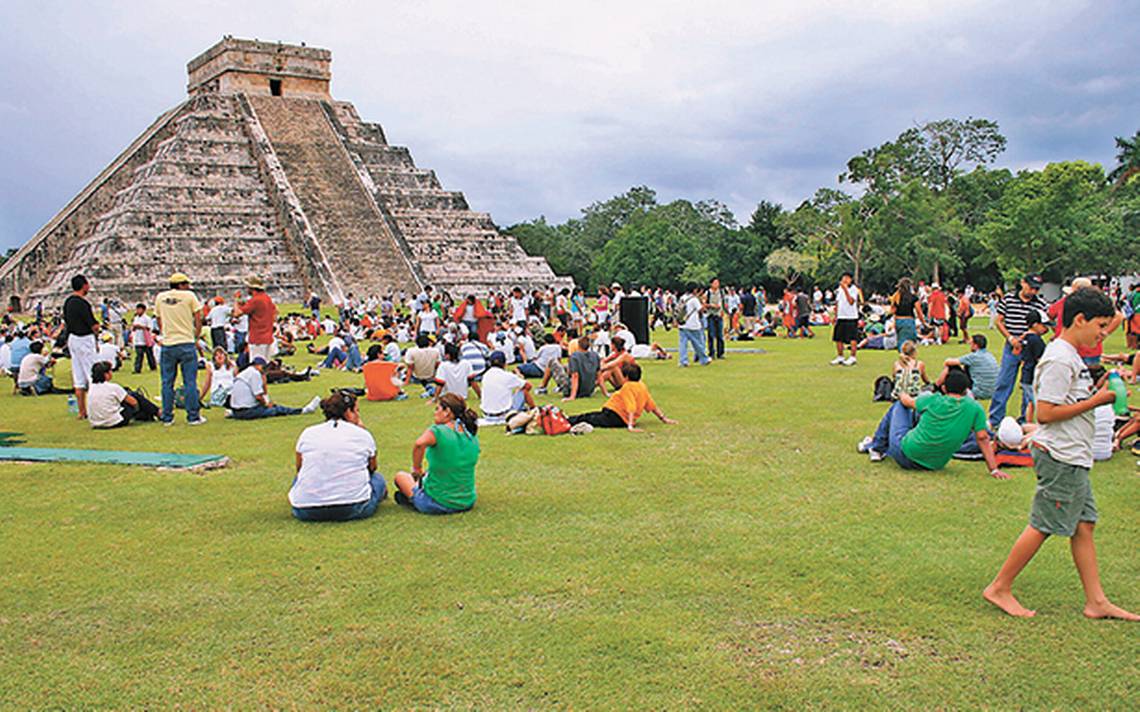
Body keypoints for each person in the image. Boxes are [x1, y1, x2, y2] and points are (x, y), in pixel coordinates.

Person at [983, 287, 1138, 620]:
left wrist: (1098, 393)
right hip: (1061, 457)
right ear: (1079, 319)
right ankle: (999, 587)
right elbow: (1046, 413)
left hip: (1074, 456)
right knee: (1043, 524)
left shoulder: (1072, 357)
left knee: (1084, 526)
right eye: (1100, 325)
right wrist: (1095, 402)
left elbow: (1068, 402)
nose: (1102, 333)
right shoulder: (1058, 357)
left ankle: (1096, 601)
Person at [857, 368, 1008, 477]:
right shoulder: (975, 408)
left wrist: (901, 392)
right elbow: (982, 438)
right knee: (917, 415)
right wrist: (993, 469)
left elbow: (907, 401)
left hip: (905, 454)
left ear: (944, 388)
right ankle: (876, 446)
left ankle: (875, 447)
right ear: (966, 390)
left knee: (899, 406)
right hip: (935, 463)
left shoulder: (934, 399)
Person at [290, 391, 386, 522]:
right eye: (357, 411)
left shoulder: (308, 433)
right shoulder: (362, 434)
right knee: (377, 479)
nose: (358, 415)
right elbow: (372, 467)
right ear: (348, 412)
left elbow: (300, 468)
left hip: (306, 509)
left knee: (299, 479)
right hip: (354, 506)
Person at [393, 394, 480, 515]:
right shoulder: (470, 433)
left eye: (437, 409)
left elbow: (419, 444)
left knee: (400, 477)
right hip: (467, 501)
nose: (434, 413)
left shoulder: (438, 431)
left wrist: (417, 468)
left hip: (438, 503)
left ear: (447, 412)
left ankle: (412, 498)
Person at [989, 274, 1049, 428]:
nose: (1033, 291)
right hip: (1012, 345)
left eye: (1036, 288)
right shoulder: (1009, 299)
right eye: (1031, 287)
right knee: (1004, 381)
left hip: (1031, 346)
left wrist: (1030, 336)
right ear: (1023, 283)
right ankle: (995, 419)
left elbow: (1045, 326)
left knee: (1028, 384)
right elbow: (999, 321)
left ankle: (1024, 420)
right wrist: (1010, 338)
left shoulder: (1041, 304)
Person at [155, 272, 205, 426]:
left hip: (168, 344)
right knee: (190, 381)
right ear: (181, 285)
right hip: (186, 342)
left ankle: (167, 417)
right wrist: (195, 336)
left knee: (166, 383)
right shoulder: (189, 296)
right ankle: (193, 416)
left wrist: (166, 333)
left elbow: (158, 319)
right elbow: (198, 319)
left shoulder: (160, 297)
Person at [568, 362, 677, 432]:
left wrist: (630, 426)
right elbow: (651, 405)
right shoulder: (642, 386)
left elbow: (631, 406)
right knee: (590, 416)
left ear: (626, 377)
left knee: (588, 418)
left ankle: (566, 420)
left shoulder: (627, 387)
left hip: (615, 416)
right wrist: (663, 418)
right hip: (615, 415)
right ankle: (568, 419)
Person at [228, 357, 320, 420]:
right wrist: (266, 404)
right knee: (275, 409)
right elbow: (259, 396)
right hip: (246, 411)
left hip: (236, 410)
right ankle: (302, 411)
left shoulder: (246, 373)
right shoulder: (254, 374)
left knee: (270, 407)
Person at [63, 274, 100, 419]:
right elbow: (93, 325)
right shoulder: (82, 303)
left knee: (78, 377)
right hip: (84, 338)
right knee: (93, 375)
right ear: (84, 285)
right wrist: (98, 329)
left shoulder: (68, 302)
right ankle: (95, 409)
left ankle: (81, 411)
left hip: (73, 339)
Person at [938, 335, 999, 401]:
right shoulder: (991, 356)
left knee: (952, 367)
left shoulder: (974, 356)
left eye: (971, 343)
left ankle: (937, 386)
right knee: (966, 367)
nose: (970, 345)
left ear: (976, 345)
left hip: (977, 391)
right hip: (993, 391)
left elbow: (948, 362)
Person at [232, 276, 278, 363]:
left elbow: (236, 313)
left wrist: (236, 299)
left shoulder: (255, 300)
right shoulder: (267, 298)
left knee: (256, 365)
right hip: (267, 336)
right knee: (265, 364)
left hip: (257, 338)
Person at [87, 361, 143, 429]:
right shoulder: (113, 387)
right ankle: (156, 411)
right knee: (133, 396)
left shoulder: (91, 388)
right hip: (114, 421)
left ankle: (156, 411)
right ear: (106, 374)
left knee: (126, 396)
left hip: (95, 422)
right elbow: (134, 402)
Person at [479, 351, 534, 419]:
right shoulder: (508, 376)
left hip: (486, 414)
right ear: (505, 363)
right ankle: (534, 410)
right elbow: (528, 386)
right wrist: (519, 378)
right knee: (523, 391)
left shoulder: (486, 375)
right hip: (505, 414)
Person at [1019, 311, 1049, 423]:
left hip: (1026, 374)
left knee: (1029, 402)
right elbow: (1040, 359)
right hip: (1033, 376)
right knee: (1036, 401)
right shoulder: (1037, 341)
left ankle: (1027, 422)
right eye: (1043, 325)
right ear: (1035, 324)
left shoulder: (1026, 338)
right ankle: (1037, 424)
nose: (1045, 328)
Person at [831, 272, 861, 365]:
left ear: (851, 280)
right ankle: (840, 356)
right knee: (838, 337)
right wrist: (835, 316)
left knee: (852, 338)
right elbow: (837, 303)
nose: (845, 280)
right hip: (841, 316)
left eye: (847, 278)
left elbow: (851, 301)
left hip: (851, 317)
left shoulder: (853, 289)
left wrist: (845, 290)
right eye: (844, 278)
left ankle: (853, 357)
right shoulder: (839, 290)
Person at [887, 277, 922, 355]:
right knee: (910, 341)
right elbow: (919, 311)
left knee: (901, 341)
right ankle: (909, 359)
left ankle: (902, 358)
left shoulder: (896, 296)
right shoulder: (913, 297)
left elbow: (893, 310)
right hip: (909, 321)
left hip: (898, 321)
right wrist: (924, 322)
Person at [677, 286, 711, 367]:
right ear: (694, 289)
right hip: (693, 324)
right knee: (698, 343)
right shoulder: (694, 299)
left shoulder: (682, 297)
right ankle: (704, 359)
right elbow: (701, 310)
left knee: (683, 344)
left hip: (682, 324)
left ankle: (683, 361)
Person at [562, 336, 600, 401]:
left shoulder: (574, 356)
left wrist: (572, 396)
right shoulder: (595, 355)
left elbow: (575, 376)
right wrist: (606, 393)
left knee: (553, 362)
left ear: (578, 345)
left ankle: (542, 387)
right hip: (589, 391)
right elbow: (599, 375)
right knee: (565, 367)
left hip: (576, 391)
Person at [705, 278, 726, 359]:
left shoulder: (721, 292)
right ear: (711, 284)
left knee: (720, 335)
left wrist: (723, 311)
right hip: (711, 315)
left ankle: (720, 353)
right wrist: (712, 306)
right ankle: (711, 353)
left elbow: (723, 303)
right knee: (711, 335)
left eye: (718, 282)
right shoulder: (708, 293)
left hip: (719, 315)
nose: (717, 284)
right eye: (715, 283)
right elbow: (704, 304)